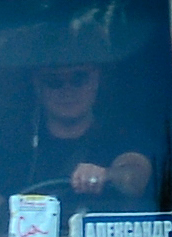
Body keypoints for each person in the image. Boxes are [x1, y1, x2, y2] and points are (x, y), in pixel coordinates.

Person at [18, 61, 161, 202]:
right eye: (54, 81)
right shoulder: (16, 144)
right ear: (38, 85)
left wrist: (107, 175)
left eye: (78, 79)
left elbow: (134, 177)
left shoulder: (122, 135)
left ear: (95, 81)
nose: (67, 91)